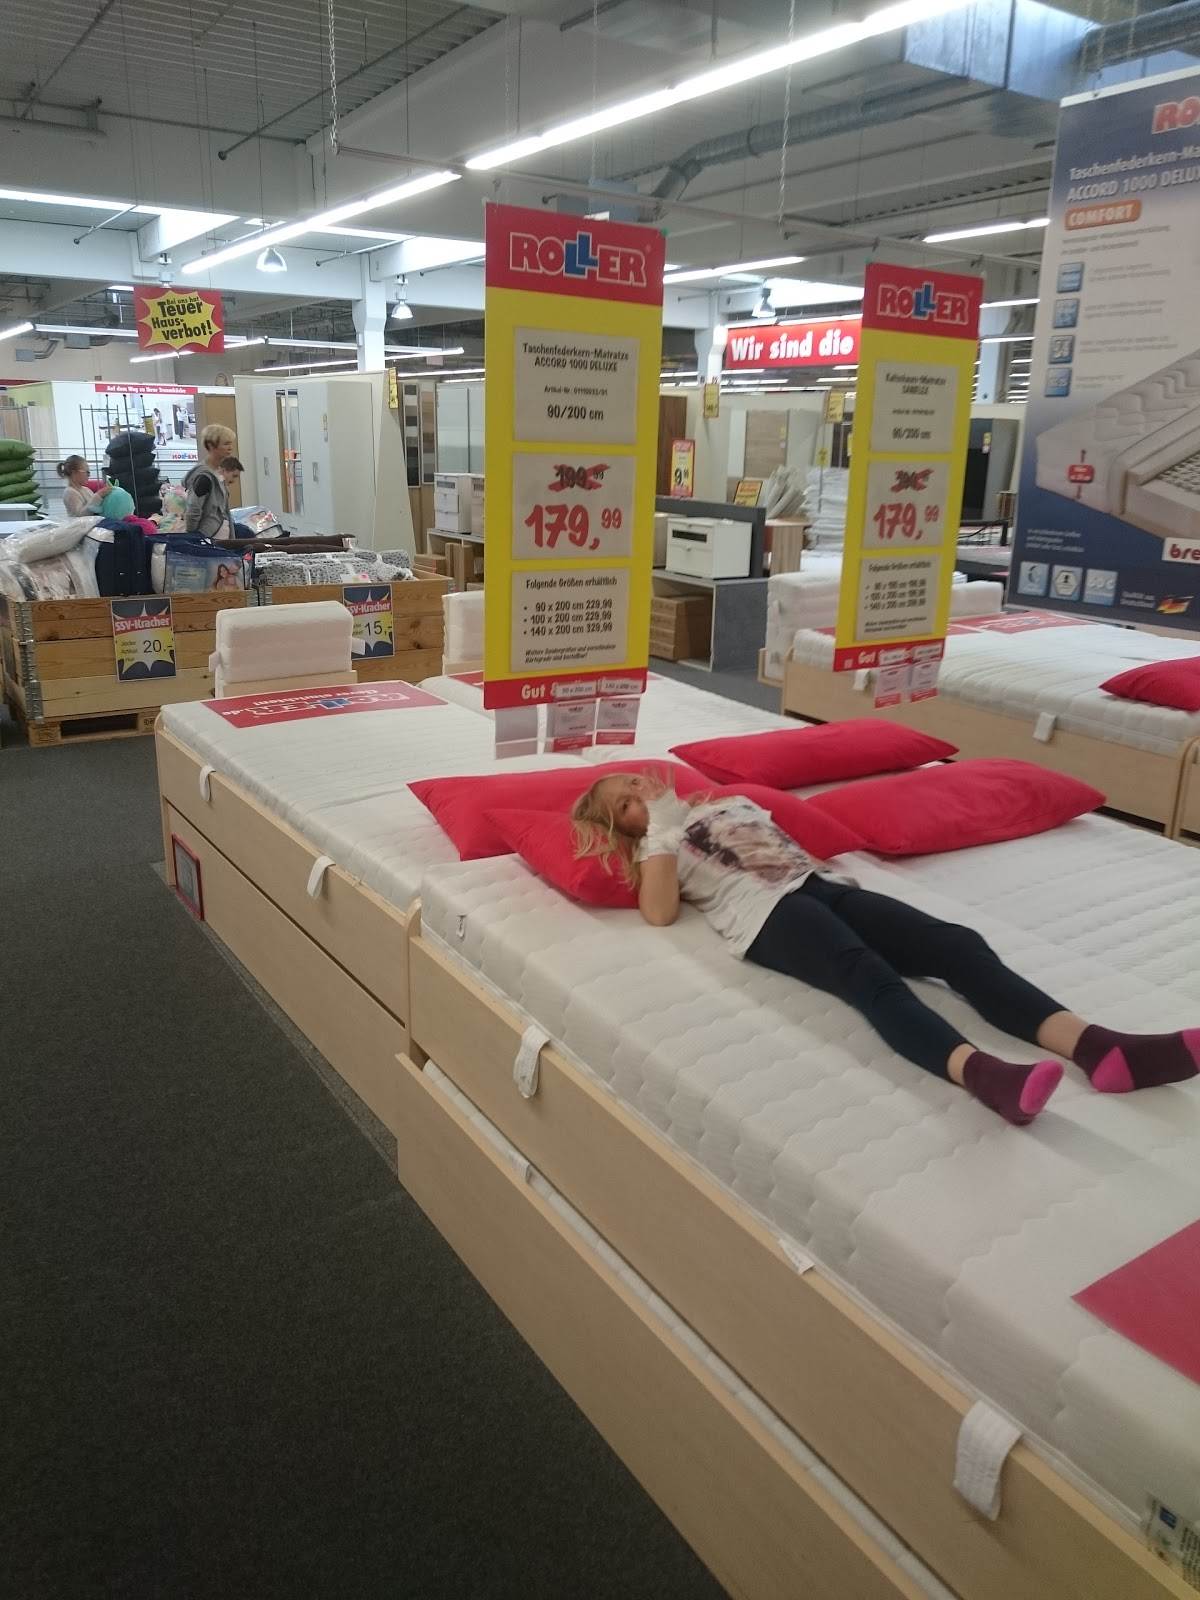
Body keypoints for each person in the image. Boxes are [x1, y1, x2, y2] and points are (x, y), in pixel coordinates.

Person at [570, 773, 1200, 1126]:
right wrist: (660, 832)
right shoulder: (656, 847)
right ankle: (984, 1075)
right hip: (764, 914)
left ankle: (1102, 1049)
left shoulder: (731, 801)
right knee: (864, 974)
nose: (641, 794)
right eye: (625, 802)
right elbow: (659, 912)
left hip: (817, 885)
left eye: (637, 783)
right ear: (618, 825)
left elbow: (793, 841)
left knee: (957, 945)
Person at [183, 423, 237, 541]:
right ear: (211, 446)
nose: (230, 448)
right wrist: (194, 539)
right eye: (226, 444)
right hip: (208, 536)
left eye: (230, 443)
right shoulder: (204, 477)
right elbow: (193, 509)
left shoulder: (218, 472)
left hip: (220, 533)